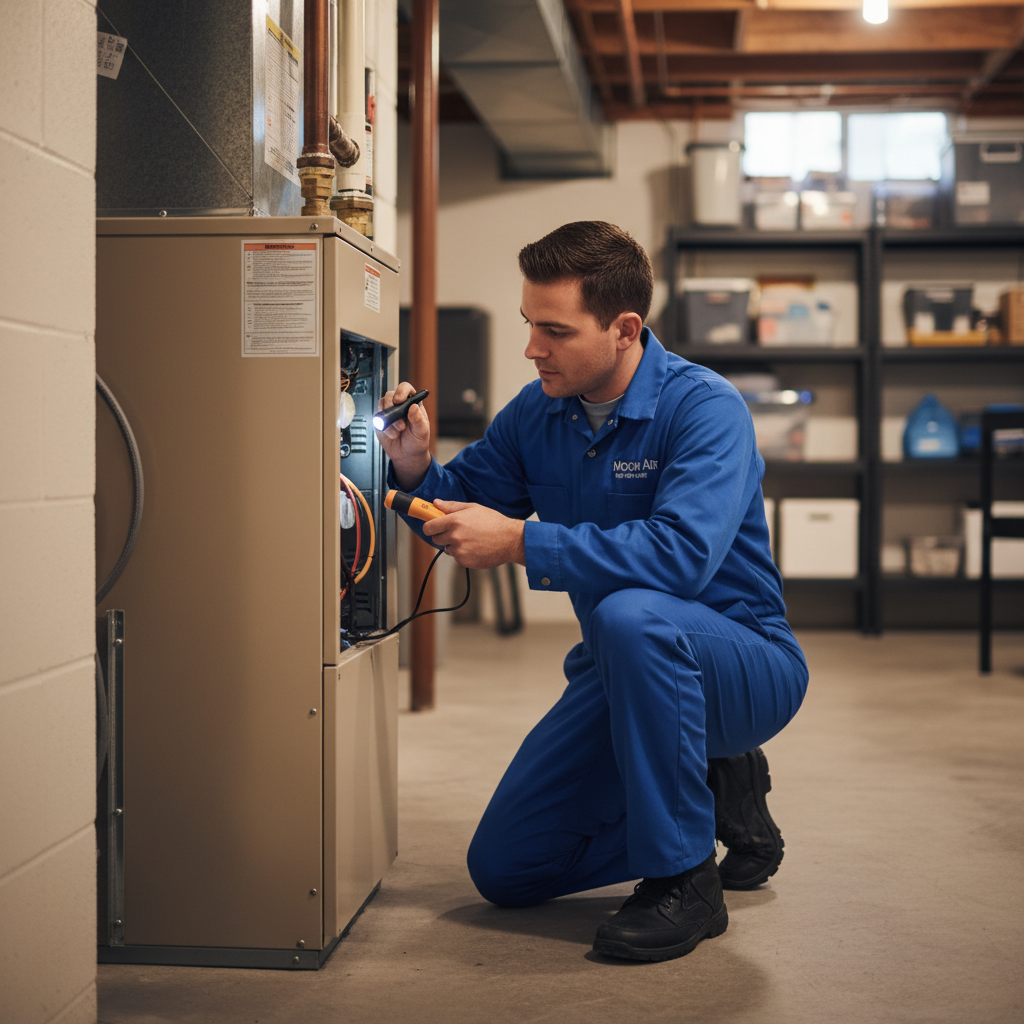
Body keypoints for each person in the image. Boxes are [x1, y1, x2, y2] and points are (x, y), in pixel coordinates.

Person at [376, 221, 808, 963]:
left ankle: (683, 879)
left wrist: (520, 542)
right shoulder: (536, 412)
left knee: (632, 613)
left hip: (744, 663)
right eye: (528, 325)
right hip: (624, 670)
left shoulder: (706, 409)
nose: (532, 349)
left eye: (554, 330)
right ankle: (708, 788)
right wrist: (417, 472)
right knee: (508, 870)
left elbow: (679, 560)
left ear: (624, 329)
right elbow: (461, 507)